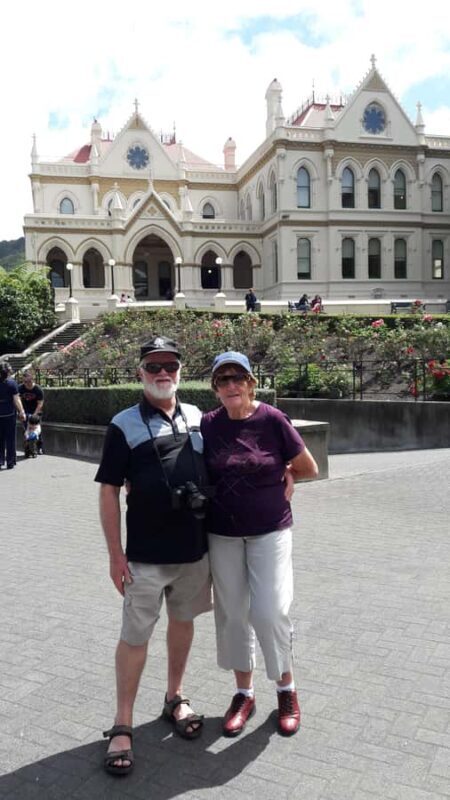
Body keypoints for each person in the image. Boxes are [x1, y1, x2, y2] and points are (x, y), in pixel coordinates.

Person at [95, 335, 212, 776]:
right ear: (139, 373)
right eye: (153, 366)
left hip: (194, 551)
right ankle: (122, 723)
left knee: (183, 624)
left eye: (170, 365)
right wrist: (115, 554)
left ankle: (174, 697)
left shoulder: (198, 417)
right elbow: (109, 491)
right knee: (135, 637)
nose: (163, 373)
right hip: (144, 555)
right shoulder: (124, 424)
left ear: (181, 370)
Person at [201, 351, 318, 738]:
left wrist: (289, 473)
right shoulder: (209, 424)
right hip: (223, 533)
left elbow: (309, 467)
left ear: (251, 383)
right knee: (233, 614)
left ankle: (286, 689)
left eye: (238, 378)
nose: (231, 385)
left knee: (270, 611)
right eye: (223, 380)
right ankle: (244, 694)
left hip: (270, 530)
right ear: (215, 388)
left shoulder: (272, 419)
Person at [0, 362, 26, 469]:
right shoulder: (12, 383)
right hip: (9, 414)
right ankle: (10, 461)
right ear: (8, 372)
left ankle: (0, 460)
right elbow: (16, 399)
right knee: (10, 438)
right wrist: (22, 411)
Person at [18, 370, 44, 453]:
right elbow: (18, 400)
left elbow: (40, 403)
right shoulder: (20, 388)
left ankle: (39, 447)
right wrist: (21, 411)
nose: (26, 383)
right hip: (25, 412)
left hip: (36, 411)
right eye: (25, 381)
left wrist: (35, 415)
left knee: (37, 430)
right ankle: (27, 448)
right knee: (26, 430)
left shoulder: (38, 389)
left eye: (28, 381)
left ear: (32, 379)